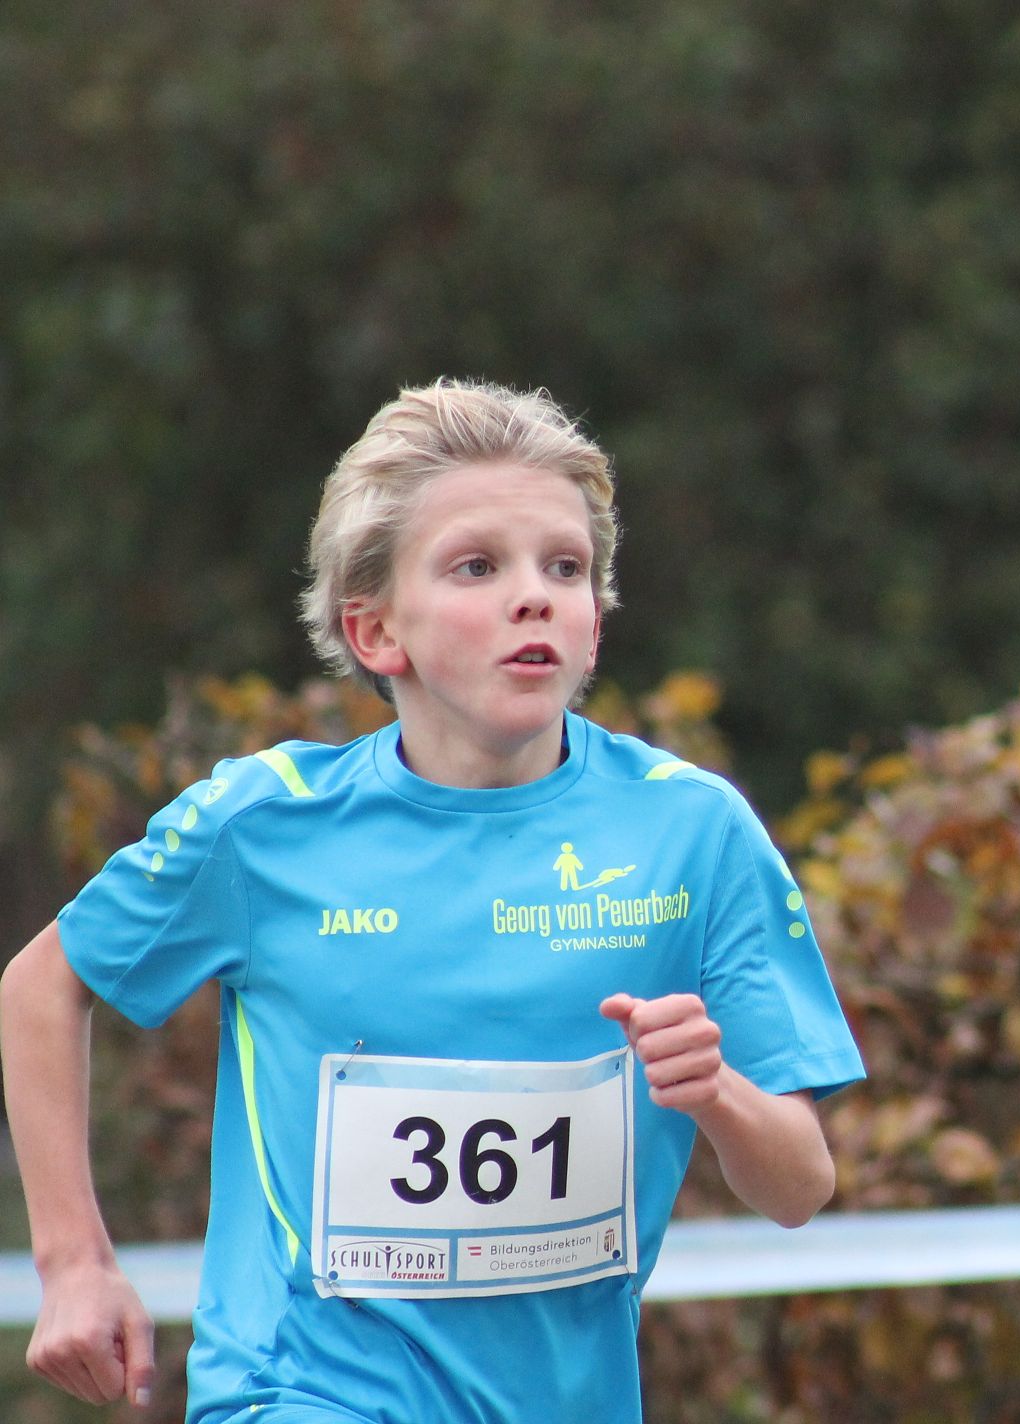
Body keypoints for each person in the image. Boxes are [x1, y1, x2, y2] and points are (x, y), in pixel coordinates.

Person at [0, 380, 865, 1422]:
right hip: (296, 1390)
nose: (533, 595)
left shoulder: (693, 830)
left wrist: (715, 1089)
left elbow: (799, 1186)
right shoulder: (263, 825)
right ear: (375, 631)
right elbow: (42, 984)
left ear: (594, 625)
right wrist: (74, 1262)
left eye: (565, 567)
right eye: (476, 566)